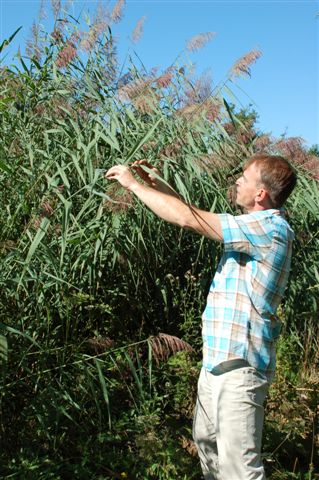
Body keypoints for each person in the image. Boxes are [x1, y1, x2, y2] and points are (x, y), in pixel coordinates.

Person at [105, 153, 297, 480]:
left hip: (240, 366)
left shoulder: (270, 229)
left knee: (240, 469)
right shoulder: (251, 226)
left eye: (244, 177)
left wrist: (134, 186)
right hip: (218, 362)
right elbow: (191, 213)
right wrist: (158, 183)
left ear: (261, 193)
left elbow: (188, 219)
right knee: (208, 448)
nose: (237, 180)